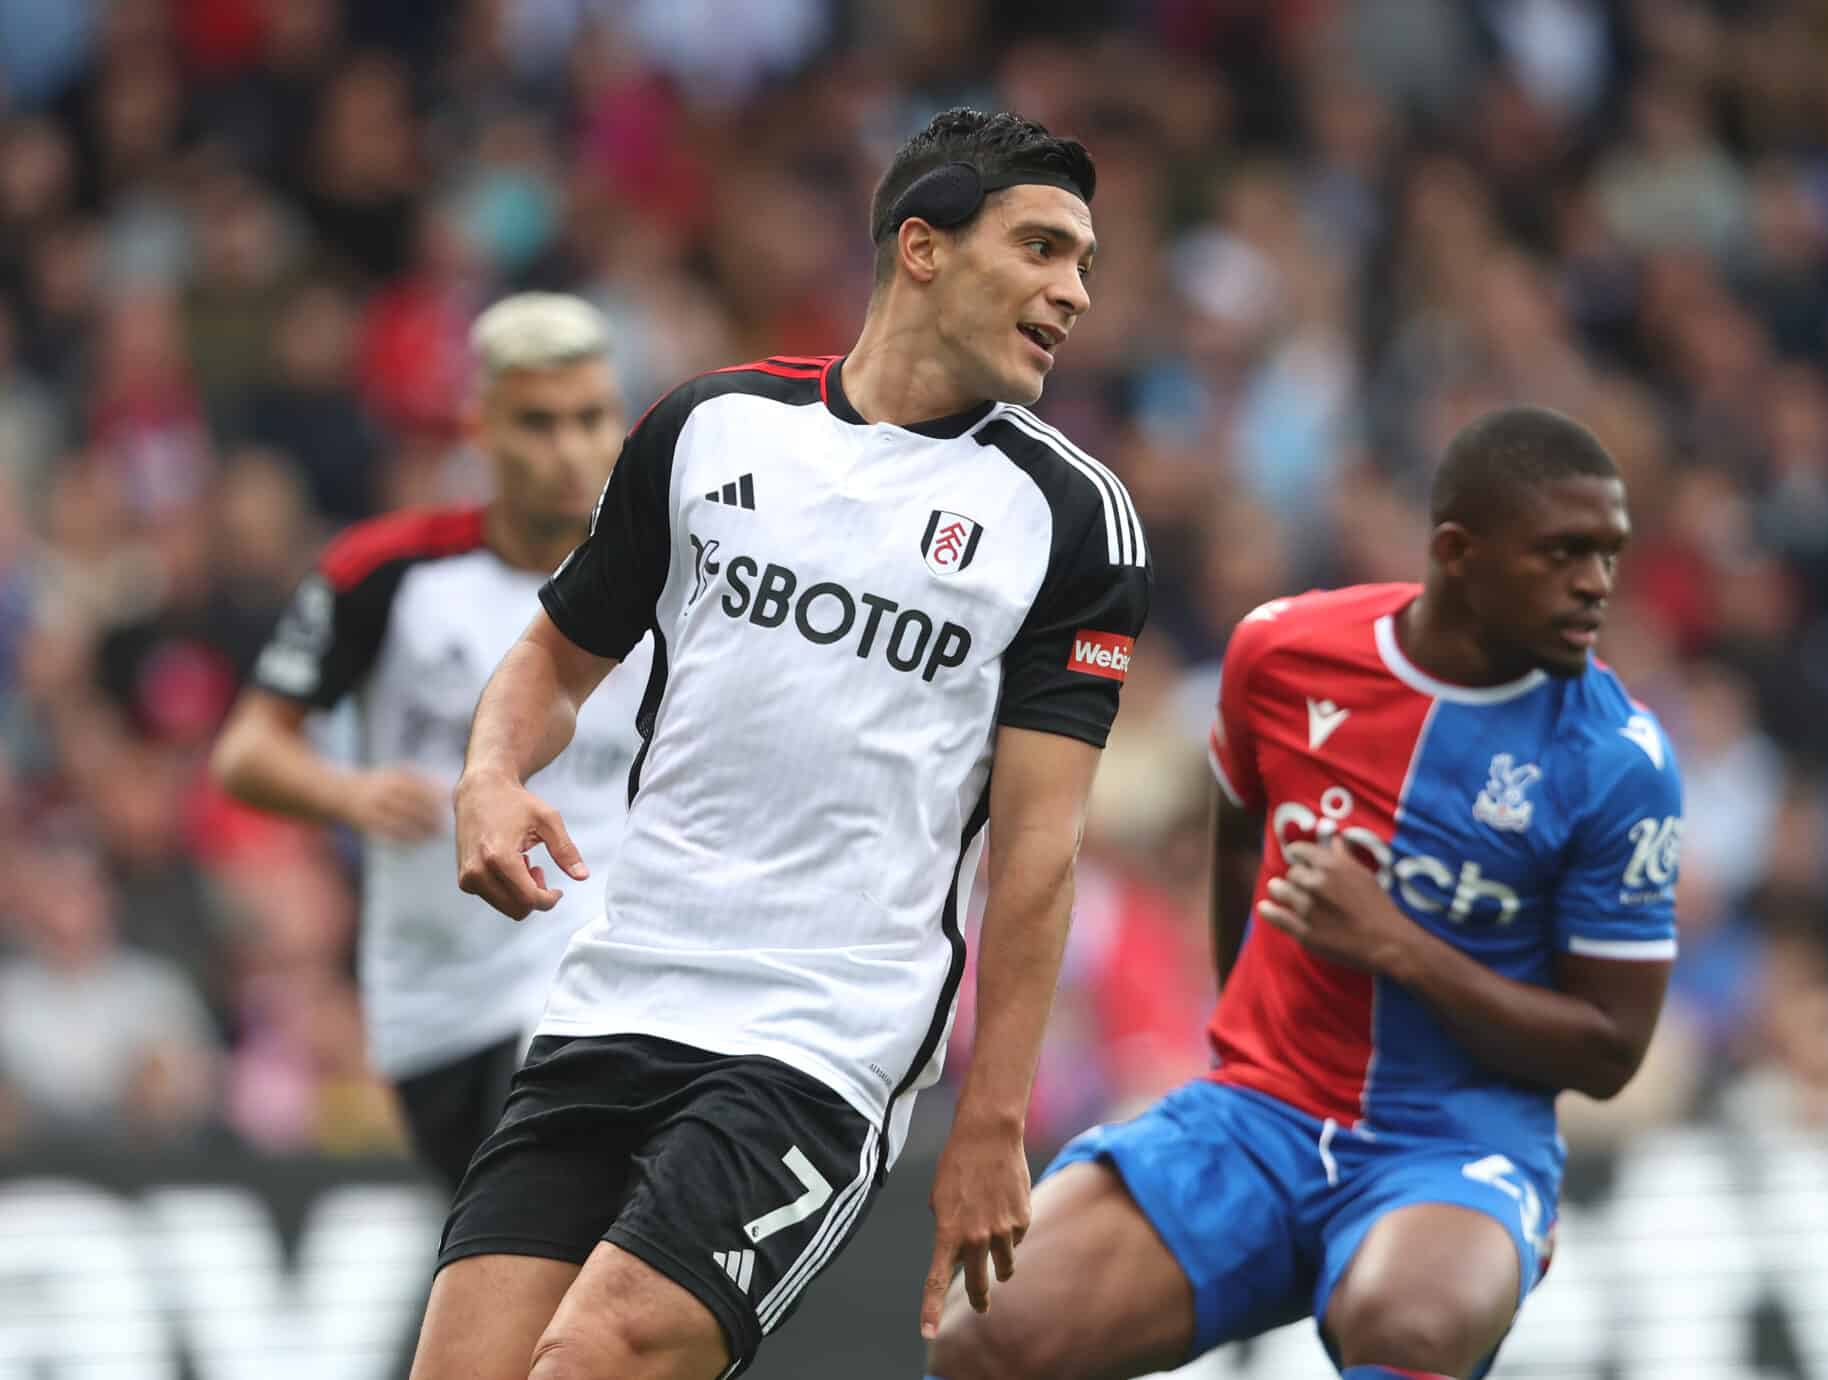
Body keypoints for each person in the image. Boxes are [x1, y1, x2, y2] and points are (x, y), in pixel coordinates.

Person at [410, 108, 1149, 1380]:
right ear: (921, 247)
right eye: (1040, 248)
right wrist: (487, 777)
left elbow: (1037, 849)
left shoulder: (1069, 520)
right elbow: (550, 656)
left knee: (597, 1356)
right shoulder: (710, 428)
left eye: (1082, 263)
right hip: (614, 998)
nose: (1072, 291)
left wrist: (991, 1121)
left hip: (817, 1042)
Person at [929, 406, 1684, 1380]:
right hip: (1260, 1111)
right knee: (986, 1336)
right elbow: (1240, 840)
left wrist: (1397, 944)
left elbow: (1608, 1049)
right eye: (1563, 554)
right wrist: (1250, 1030)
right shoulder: (1281, 653)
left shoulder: (1617, 763)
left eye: (1608, 555)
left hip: (1451, 1145)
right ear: (1457, 553)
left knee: (1403, 1327)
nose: (1596, 585)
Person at [211, 293, 648, 1188]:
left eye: (590, 418)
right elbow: (245, 754)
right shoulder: (387, 574)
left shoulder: (673, 576)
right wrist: (351, 794)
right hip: (435, 994)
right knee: (509, 1266)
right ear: (479, 428)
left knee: (572, 1219)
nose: (570, 449)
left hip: (597, 964)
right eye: (537, 423)